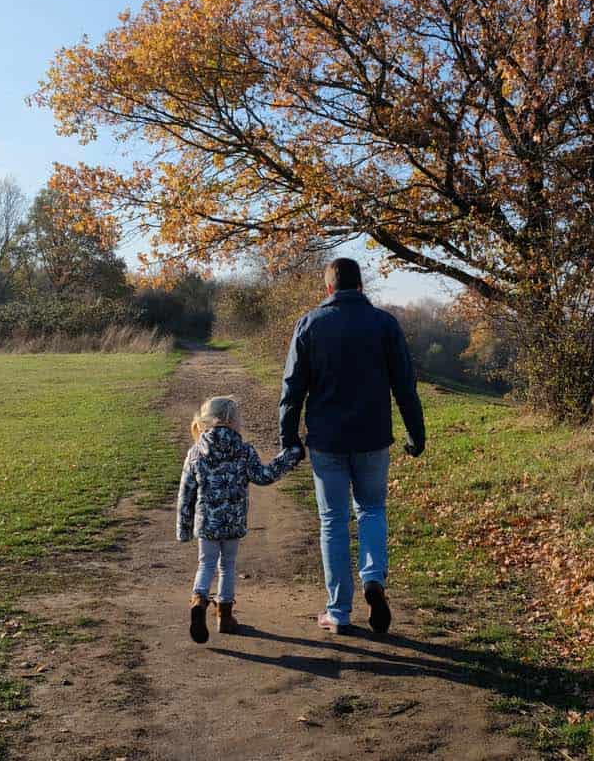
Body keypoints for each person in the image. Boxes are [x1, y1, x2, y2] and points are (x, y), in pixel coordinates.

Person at [280, 257, 426, 634]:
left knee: (333, 522)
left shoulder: (310, 324)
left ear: (329, 289)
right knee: (373, 510)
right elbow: (405, 386)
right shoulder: (385, 324)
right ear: (361, 286)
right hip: (373, 437)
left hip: (327, 441)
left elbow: (292, 388)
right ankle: (374, 578)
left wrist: (289, 439)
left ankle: (339, 612)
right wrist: (416, 433)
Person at [177, 395, 303, 644]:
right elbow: (265, 475)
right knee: (228, 566)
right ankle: (224, 616)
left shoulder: (196, 452)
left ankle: (199, 600)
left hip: (207, 523)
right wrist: (290, 456)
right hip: (233, 522)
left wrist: (184, 528)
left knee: (206, 564)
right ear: (233, 421)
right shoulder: (244, 451)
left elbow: (186, 492)